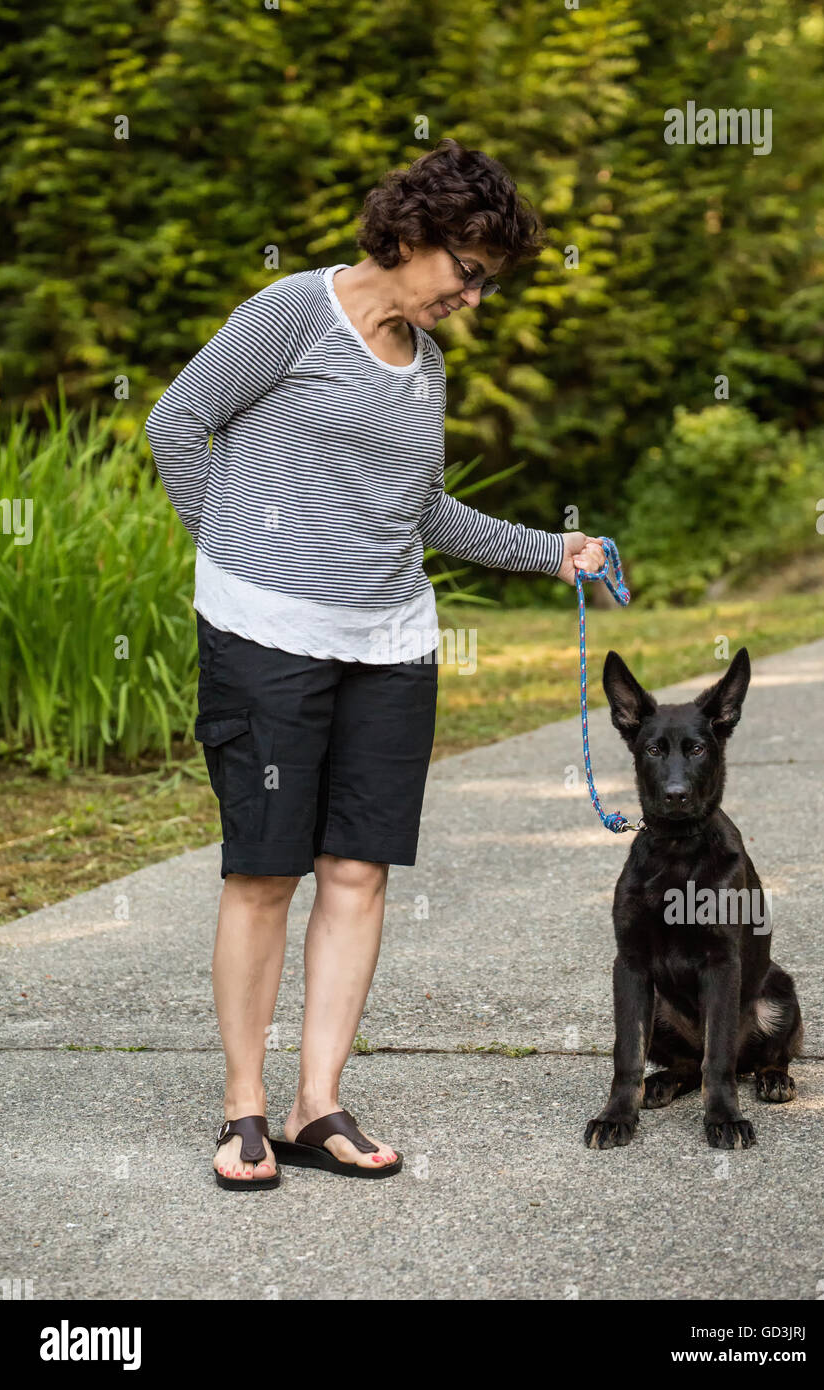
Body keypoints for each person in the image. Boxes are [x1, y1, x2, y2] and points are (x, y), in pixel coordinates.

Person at [145, 136, 605, 1188]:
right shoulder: (291, 313)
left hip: (390, 644)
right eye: (467, 271)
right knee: (263, 872)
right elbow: (179, 422)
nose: (473, 299)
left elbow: (422, 509)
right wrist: (231, 550)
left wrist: (555, 551)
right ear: (408, 236)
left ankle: (317, 1102)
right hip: (265, 639)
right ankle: (243, 1106)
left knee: (356, 870)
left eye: (485, 280)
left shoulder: (424, 368)